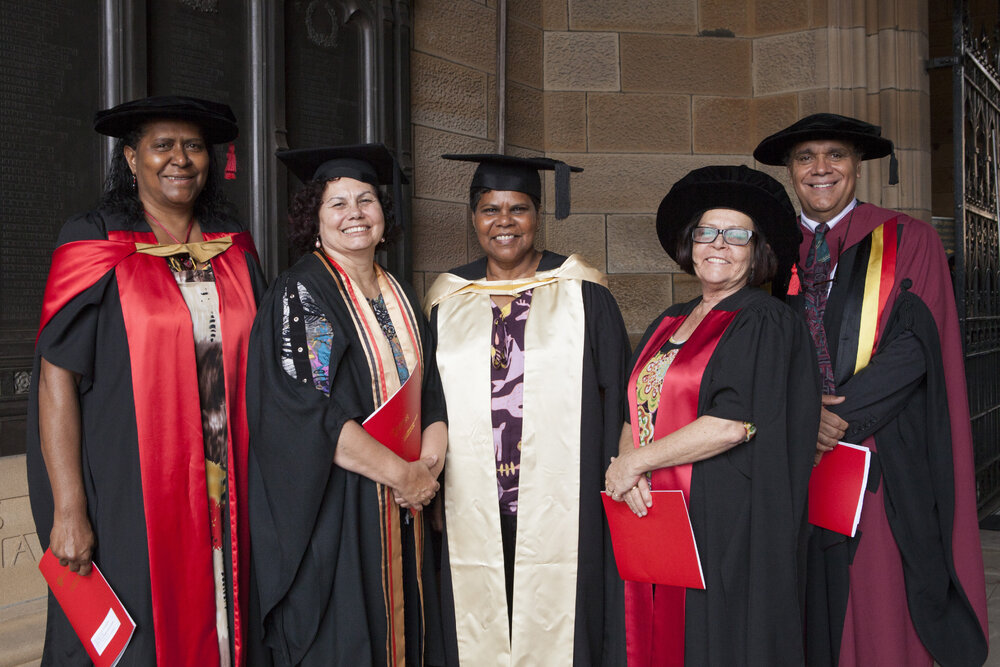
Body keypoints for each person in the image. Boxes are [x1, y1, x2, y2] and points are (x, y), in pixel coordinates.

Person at [26, 96, 265, 665]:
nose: (180, 159)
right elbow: (56, 378)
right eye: (163, 145)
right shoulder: (95, 240)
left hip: (230, 490)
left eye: (193, 146)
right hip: (131, 491)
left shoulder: (234, 244)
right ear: (131, 158)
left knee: (230, 621)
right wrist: (68, 510)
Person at [754, 112, 989, 666]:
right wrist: (798, 419)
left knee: (876, 586)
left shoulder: (908, 237)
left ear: (857, 165)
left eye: (834, 154)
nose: (821, 168)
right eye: (806, 157)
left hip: (879, 445)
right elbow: (750, 347)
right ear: (790, 170)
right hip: (788, 451)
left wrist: (834, 421)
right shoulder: (767, 249)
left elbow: (916, 344)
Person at [604, 165, 820, 666]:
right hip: (653, 510)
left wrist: (634, 465)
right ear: (690, 242)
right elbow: (632, 410)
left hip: (722, 517)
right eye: (707, 232)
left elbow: (732, 423)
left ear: (756, 249)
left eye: (736, 235)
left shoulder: (765, 321)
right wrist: (627, 462)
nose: (718, 244)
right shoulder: (669, 319)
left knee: (710, 639)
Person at [423, 154, 630, 666]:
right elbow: (429, 400)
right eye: (490, 209)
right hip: (471, 498)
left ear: (537, 216)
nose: (504, 222)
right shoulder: (447, 298)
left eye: (518, 209)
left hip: (565, 499)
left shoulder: (583, 291)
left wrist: (613, 478)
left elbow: (618, 392)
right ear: (473, 218)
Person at [247, 144, 447, 666]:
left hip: (406, 502)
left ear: (384, 216)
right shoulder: (303, 293)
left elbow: (431, 389)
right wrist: (402, 478)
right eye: (337, 204)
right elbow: (308, 411)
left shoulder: (397, 290)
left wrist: (429, 460)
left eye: (366, 200)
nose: (354, 214)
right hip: (341, 508)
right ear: (314, 219)